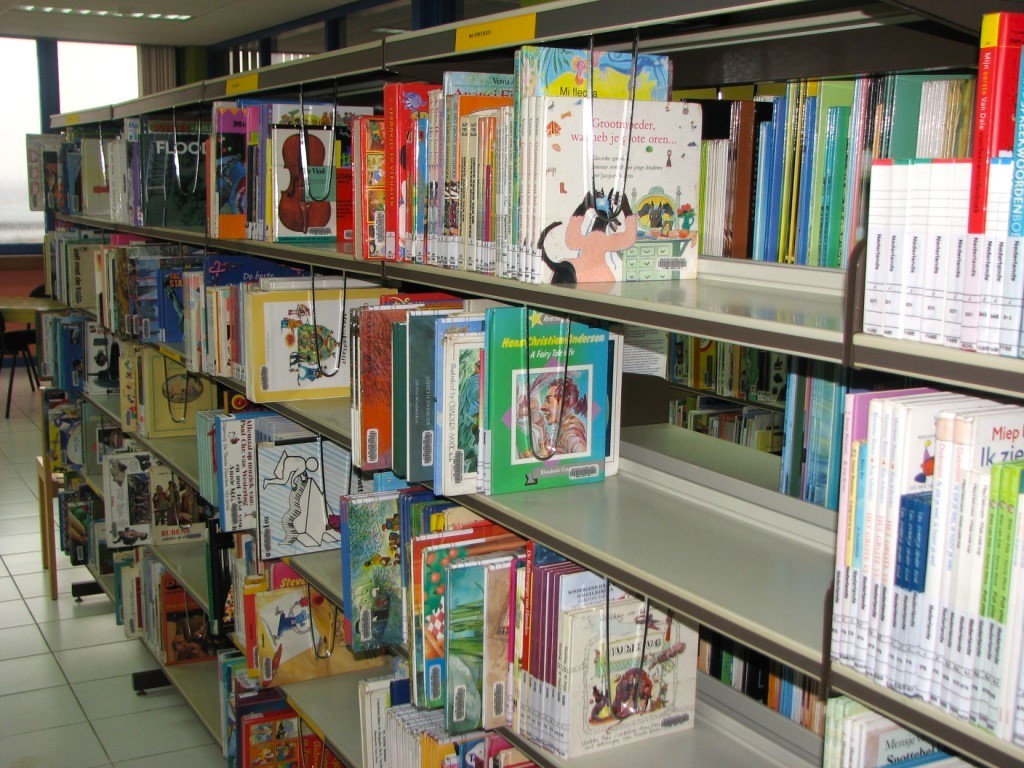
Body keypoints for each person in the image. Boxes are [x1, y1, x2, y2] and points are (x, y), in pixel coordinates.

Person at [538, 375, 588, 456]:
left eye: (548, 400)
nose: (542, 407)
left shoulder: (571, 432)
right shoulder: (564, 427)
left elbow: (582, 457)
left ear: (565, 403)